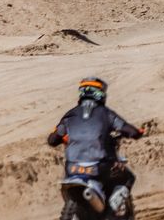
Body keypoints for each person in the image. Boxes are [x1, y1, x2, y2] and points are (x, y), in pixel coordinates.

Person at [46, 78, 144, 210]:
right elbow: (127, 129)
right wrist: (137, 132)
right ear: (100, 94)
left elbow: (52, 140)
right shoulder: (106, 114)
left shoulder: (69, 115)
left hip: (72, 167)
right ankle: (112, 209)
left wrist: (65, 139)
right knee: (127, 177)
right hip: (98, 165)